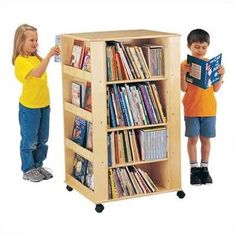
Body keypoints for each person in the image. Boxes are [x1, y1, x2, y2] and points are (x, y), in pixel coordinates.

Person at [12, 24, 60, 182]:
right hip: (29, 107)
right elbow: (38, 74)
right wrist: (49, 55)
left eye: (36, 40)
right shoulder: (20, 61)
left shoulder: (35, 58)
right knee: (29, 140)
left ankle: (38, 165)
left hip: (44, 105)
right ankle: (28, 169)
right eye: (31, 40)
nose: (35, 43)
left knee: (43, 139)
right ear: (21, 42)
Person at [180, 29, 225, 185]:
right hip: (192, 109)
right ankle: (194, 169)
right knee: (192, 139)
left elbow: (217, 88)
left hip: (209, 109)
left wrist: (221, 75)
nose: (200, 50)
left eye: (204, 47)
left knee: (206, 139)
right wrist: (183, 74)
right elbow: (183, 89)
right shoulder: (185, 64)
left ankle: (204, 168)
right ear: (189, 46)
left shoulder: (210, 64)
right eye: (197, 47)